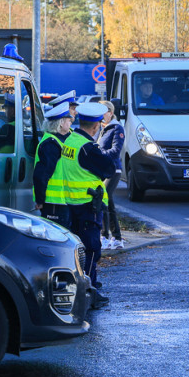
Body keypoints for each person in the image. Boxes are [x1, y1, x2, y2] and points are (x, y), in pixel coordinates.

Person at [62, 102, 117, 309]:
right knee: (91, 249)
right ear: (96, 127)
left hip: (71, 203)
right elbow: (109, 169)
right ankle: (90, 292)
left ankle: (82, 287)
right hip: (87, 207)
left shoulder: (71, 140)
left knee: (77, 250)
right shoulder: (88, 148)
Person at [32, 102, 74, 228]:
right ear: (61, 123)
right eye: (68, 120)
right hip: (54, 203)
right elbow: (41, 175)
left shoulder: (60, 140)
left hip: (63, 201)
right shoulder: (50, 144)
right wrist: (40, 200)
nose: (71, 121)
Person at [97, 99, 125, 250]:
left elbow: (115, 151)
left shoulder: (116, 128)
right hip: (103, 170)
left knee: (104, 200)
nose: (101, 115)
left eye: (104, 111)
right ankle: (117, 237)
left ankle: (106, 236)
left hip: (113, 170)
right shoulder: (103, 128)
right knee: (109, 203)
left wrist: (98, 154)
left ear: (111, 113)